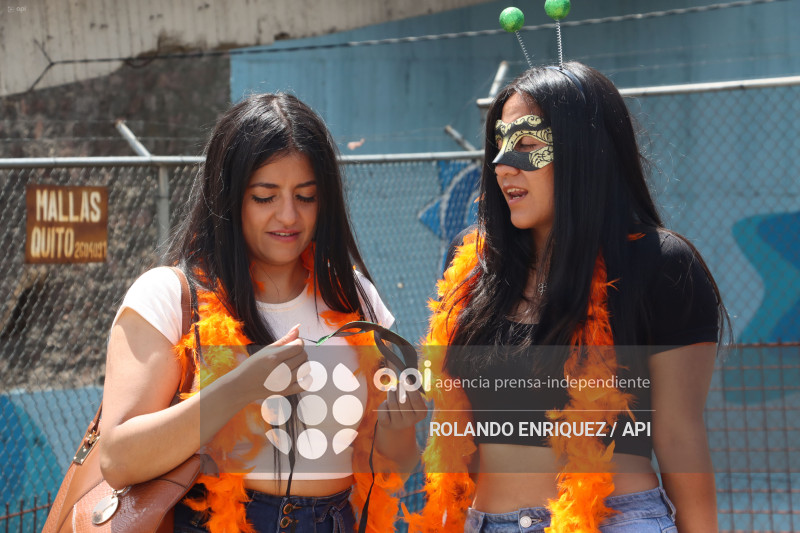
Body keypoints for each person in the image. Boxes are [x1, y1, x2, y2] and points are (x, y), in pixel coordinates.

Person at [407, 62, 728, 533]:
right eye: (499, 144)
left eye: (527, 145)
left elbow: (680, 435)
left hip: (613, 522)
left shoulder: (660, 264)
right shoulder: (476, 266)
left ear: (585, 151)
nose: (502, 165)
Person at [98, 93, 426, 533]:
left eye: (306, 196)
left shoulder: (355, 297)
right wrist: (240, 387)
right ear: (229, 196)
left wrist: (401, 426)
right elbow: (118, 459)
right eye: (265, 197)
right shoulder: (169, 297)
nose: (288, 216)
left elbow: (395, 465)